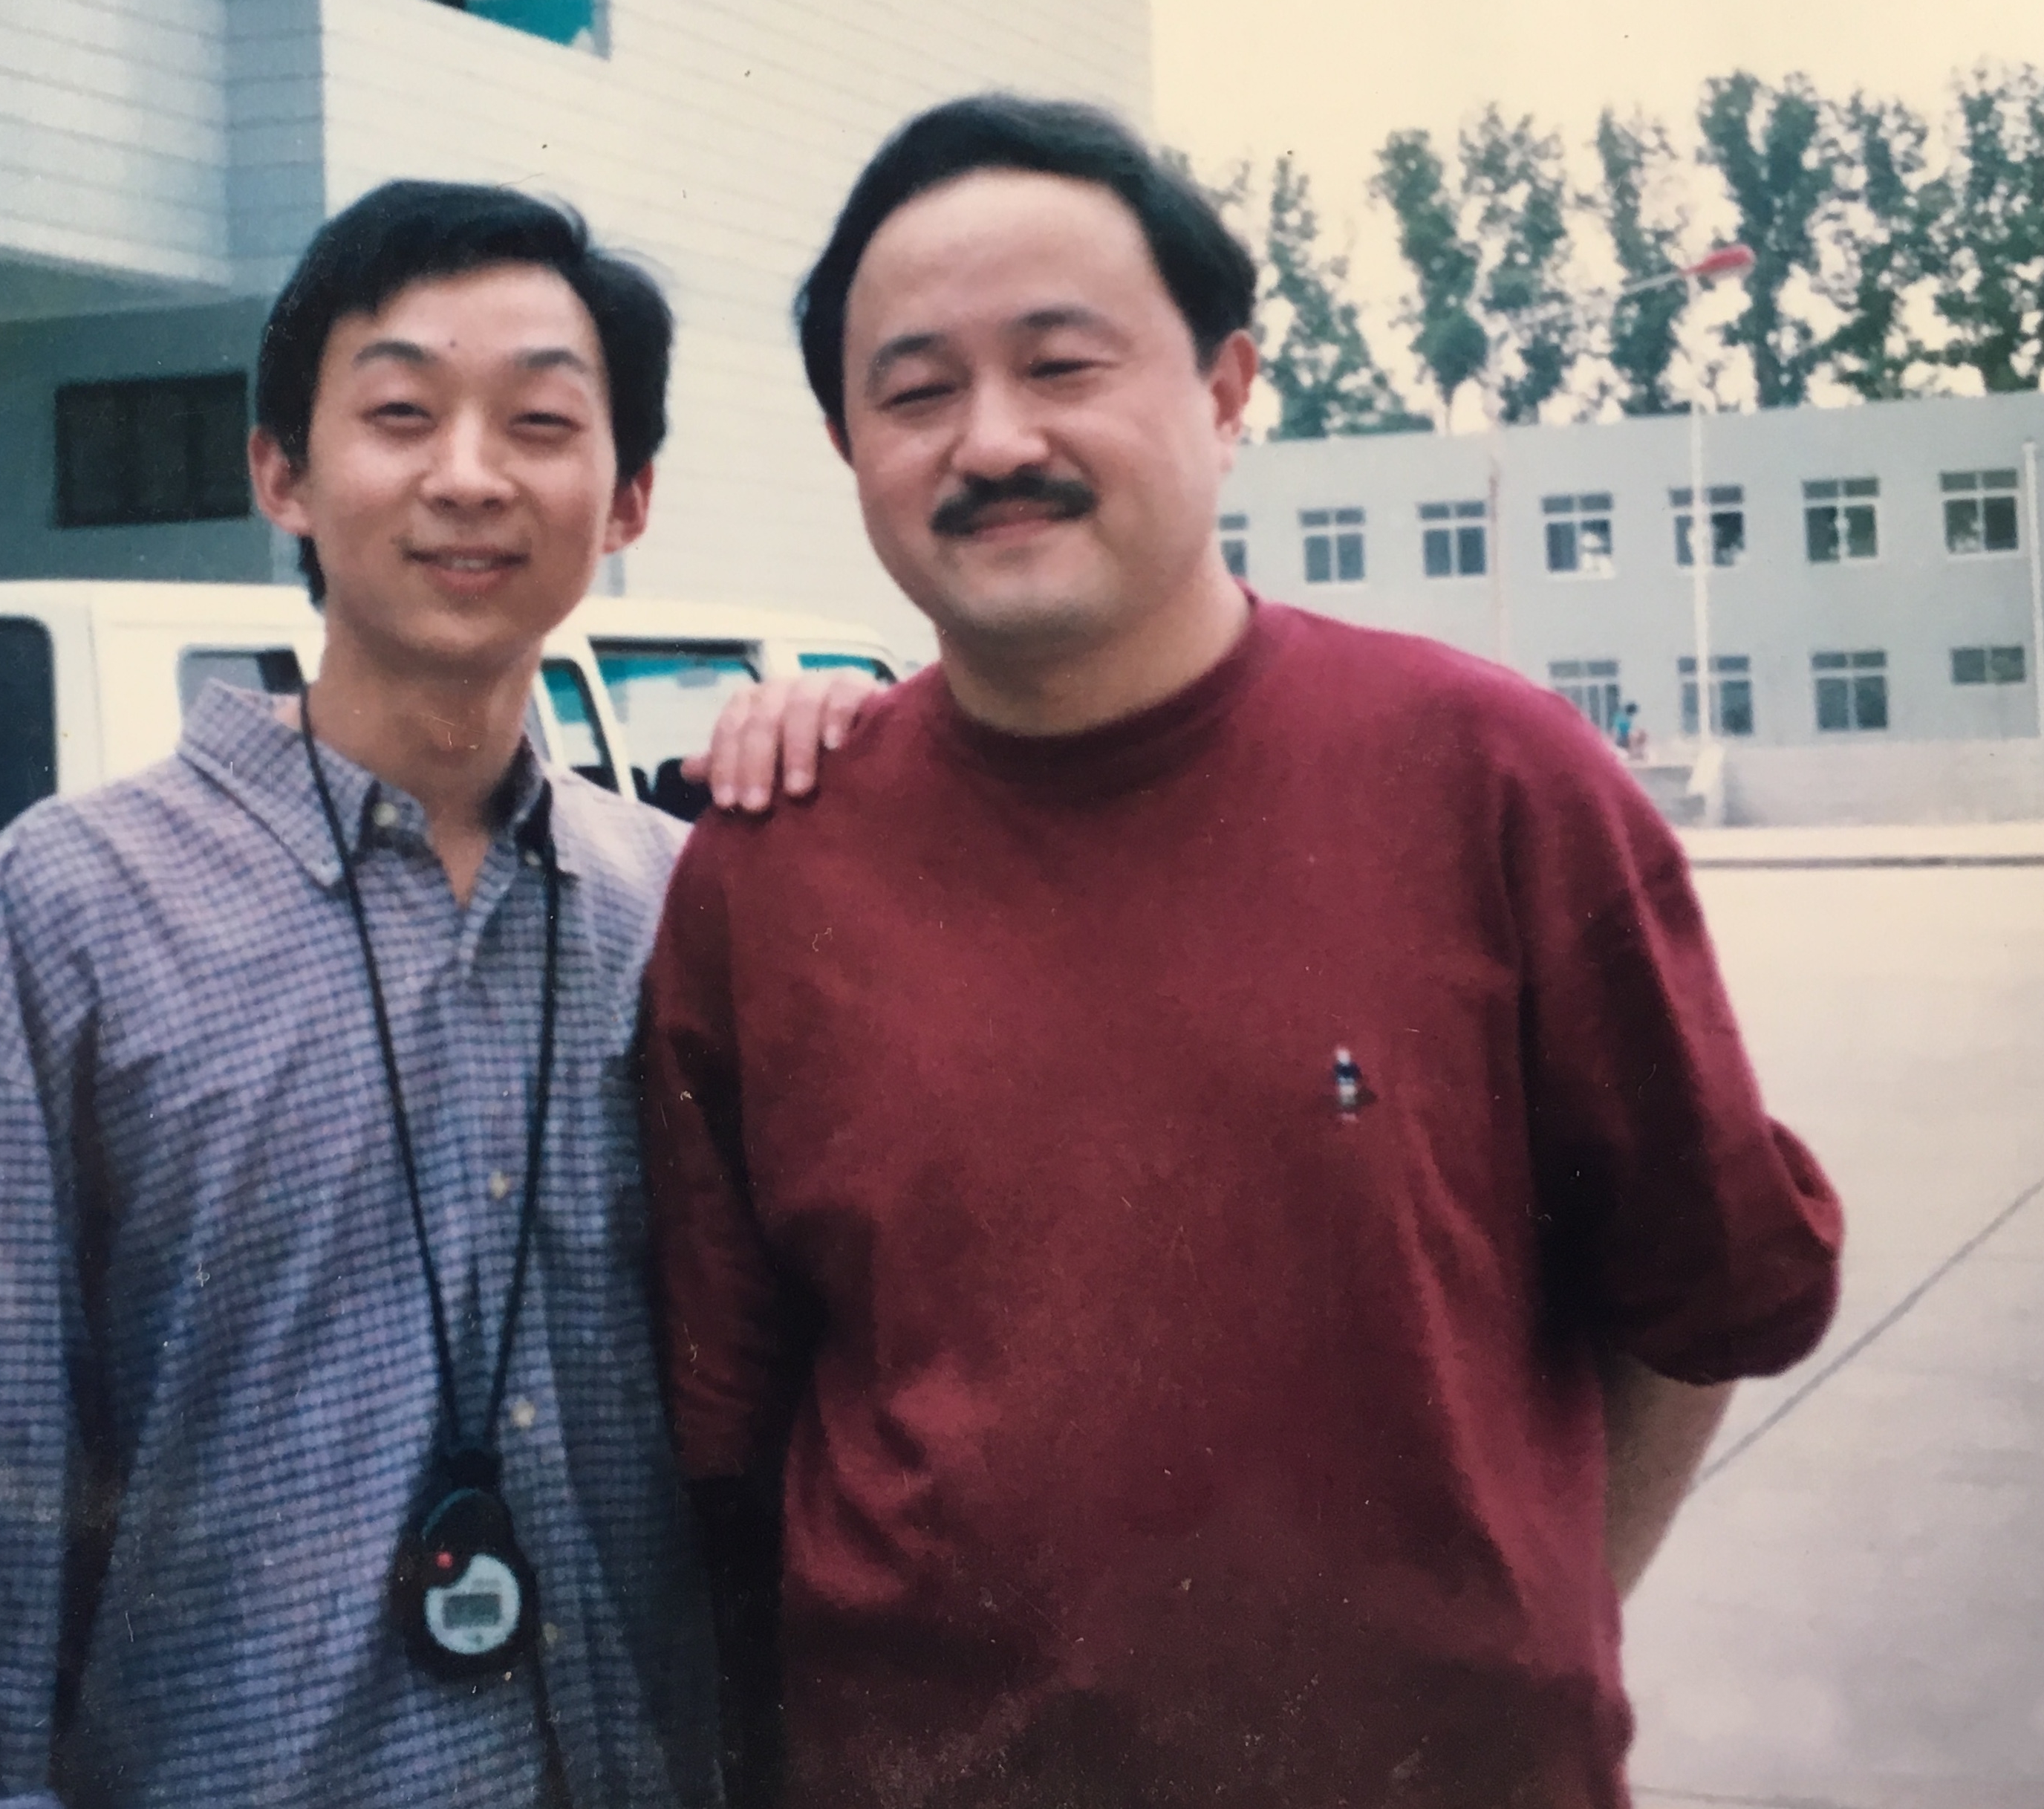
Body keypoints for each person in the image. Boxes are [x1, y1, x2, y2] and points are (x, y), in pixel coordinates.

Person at [639, 96, 1845, 1809]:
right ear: (849, 446)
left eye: (1063, 365)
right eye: (915, 392)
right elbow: (730, 1429)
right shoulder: (767, 870)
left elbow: (1704, 1294)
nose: (993, 439)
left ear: (1224, 390)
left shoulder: (1494, 781)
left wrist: (1528, 1638)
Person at [0, 181, 729, 1808]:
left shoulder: (683, 911)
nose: (470, 475)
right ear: (282, 474)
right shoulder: (49, 925)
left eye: (540, 421)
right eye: (401, 413)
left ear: (630, 499)